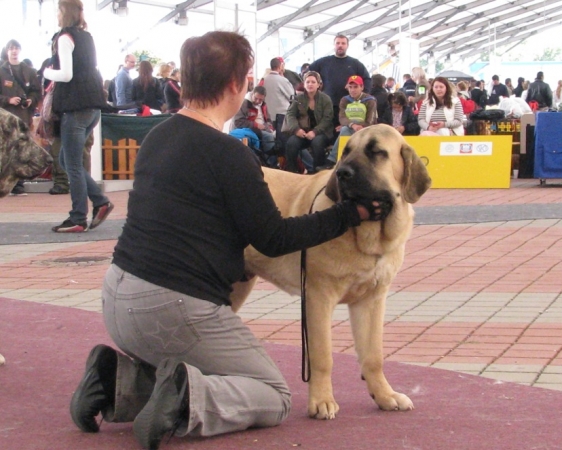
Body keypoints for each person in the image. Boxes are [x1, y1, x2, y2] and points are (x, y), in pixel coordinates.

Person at [68, 31, 379, 450]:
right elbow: (273, 238)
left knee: (216, 367)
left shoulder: (157, 137)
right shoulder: (230, 154)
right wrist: (349, 214)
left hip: (116, 297)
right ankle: (184, 400)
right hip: (170, 311)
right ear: (235, 84)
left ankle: (114, 380)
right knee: (272, 394)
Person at [43, 0, 113, 232]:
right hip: (92, 108)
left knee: (71, 164)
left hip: (75, 108)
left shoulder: (64, 37)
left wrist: (45, 71)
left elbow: (65, 73)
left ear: (64, 13)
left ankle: (78, 218)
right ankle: (101, 202)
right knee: (66, 160)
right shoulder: (87, 37)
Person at [0, 39, 42, 196]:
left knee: (22, 149)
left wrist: (31, 100)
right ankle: (6, 184)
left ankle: (19, 185)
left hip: (24, 116)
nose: (14, 51)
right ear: (7, 51)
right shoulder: (1, 70)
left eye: (16, 48)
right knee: (6, 150)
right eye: (11, 48)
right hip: (6, 117)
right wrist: (7, 100)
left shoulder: (29, 71)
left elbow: (37, 91)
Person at [309, 35, 371, 127]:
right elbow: (307, 73)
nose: (340, 45)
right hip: (328, 105)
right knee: (329, 133)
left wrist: (362, 97)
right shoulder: (323, 62)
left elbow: (367, 80)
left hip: (349, 106)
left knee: (346, 132)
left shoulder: (355, 64)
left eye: (343, 43)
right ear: (334, 45)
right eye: (337, 43)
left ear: (347, 46)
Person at [318, 75, 377, 170]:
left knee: (344, 129)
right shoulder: (345, 100)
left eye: (356, 87)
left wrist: (352, 125)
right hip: (350, 127)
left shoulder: (370, 100)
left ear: (362, 87)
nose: (353, 90)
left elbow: (371, 120)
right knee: (345, 129)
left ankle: (332, 160)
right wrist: (352, 125)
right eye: (350, 87)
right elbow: (342, 117)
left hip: (366, 129)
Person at [284, 70, 334, 173]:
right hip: (303, 133)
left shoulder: (326, 99)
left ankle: (317, 173)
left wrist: (315, 132)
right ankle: (293, 172)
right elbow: (290, 114)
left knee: (317, 143)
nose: (310, 84)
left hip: (322, 133)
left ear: (318, 84)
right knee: (291, 143)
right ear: (304, 84)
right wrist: (296, 129)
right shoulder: (298, 99)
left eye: (313, 82)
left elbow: (327, 119)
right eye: (307, 82)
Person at [232, 85, 277, 166]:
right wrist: (256, 125)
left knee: (278, 137)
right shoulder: (244, 103)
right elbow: (238, 122)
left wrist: (269, 126)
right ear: (252, 94)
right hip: (248, 130)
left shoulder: (263, 105)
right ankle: (271, 165)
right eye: (256, 98)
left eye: (260, 100)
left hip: (262, 128)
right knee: (269, 137)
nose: (258, 101)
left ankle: (271, 162)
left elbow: (268, 119)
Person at [262, 57, 294, 122]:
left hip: (269, 114)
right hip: (282, 114)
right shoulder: (283, 80)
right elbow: (292, 96)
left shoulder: (264, 80)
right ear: (280, 67)